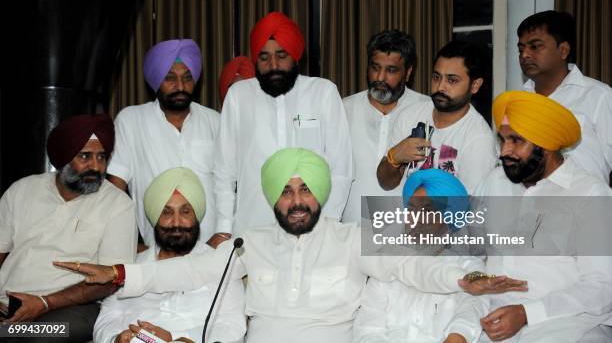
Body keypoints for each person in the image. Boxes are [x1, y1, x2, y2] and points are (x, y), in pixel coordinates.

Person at [56, 148, 520, 343]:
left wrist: (467, 278)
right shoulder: (249, 243)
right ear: (273, 197)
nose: (296, 201)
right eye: (286, 191)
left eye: (305, 190)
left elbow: (414, 269)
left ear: (320, 194)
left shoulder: (352, 239)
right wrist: (120, 274)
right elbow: (192, 271)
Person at [474, 90, 612, 342]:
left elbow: (602, 286)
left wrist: (527, 313)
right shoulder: (496, 182)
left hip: (570, 323)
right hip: (492, 317)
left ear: (547, 145)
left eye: (516, 141)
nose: (504, 151)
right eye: (502, 140)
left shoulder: (590, 193)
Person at [208, 12, 353, 247]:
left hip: (312, 229)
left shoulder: (323, 92)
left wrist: (328, 224)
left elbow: (341, 168)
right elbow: (224, 170)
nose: (273, 65)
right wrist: (224, 228)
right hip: (252, 230)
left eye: (281, 55)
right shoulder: (238, 96)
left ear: (296, 56)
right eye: (264, 57)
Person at [0, 114, 137, 342]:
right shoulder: (22, 191)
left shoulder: (118, 205)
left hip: (74, 308)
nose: (95, 166)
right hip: (9, 302)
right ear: (62, 158)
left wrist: (44, 303)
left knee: (36, 336)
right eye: (85, 156)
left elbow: (111, 280)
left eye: (102, 157)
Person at [94, 168, 245, 343]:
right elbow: (107, 318)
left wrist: (177, 339)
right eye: (166, 213)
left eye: (185, 212)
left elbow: (232, 325)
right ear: (155, 218)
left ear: (197, 217)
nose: (176, 222)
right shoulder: (131, 266)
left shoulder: (221, 264)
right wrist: (115, 339)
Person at [107, 39, 220, 247]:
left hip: (211, 252)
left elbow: (228, 185)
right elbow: (114, 191)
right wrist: (128, 244)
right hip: (157, 253)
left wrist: (224, 234)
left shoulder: (215, 121)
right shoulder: (131, 121)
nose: (180, 86)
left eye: (187, 78)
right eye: (170, 78)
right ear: (155, 80)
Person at [355, 169, 490, 343]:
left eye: (427, 210)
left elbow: (473, 309)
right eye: (411, 209)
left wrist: (458, 336)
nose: (416, 218)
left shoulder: (469, 266)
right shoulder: (389, 262)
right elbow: (368, 329)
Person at [377, 40, 496, 194]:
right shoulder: (410, 115)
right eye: (436, 77)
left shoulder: (479, 140)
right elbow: (385, 183)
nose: (440, 87)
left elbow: (471, 211)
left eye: (452, 80)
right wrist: (394, 158)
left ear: (475, 85)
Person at [342, 29, 429, 223]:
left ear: (408, 72)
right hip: (350, 236)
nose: (380, 77)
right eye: (374, 67)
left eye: (391, 70)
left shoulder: (427, 111)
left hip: (408, 239)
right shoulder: (343, 109)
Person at [517, 10, 612, 183]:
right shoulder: (518, 102)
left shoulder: (599, 96)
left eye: (535, 46)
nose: (525, 55)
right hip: (529, 207)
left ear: (563, 50)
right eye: (521, 48)